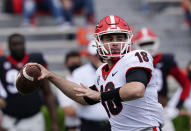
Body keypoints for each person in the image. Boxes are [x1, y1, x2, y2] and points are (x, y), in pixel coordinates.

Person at [27, 15, 164, 131]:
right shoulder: (101, 72)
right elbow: (82, 97)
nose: (115, 43)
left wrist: (100, 95)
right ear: (99, 43)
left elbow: (136, 90)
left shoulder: (136, 57)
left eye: (120, 38)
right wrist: (51, 76)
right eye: (109, 39)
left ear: (127, 40)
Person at [134, 27, 191, 130]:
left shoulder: (165, 60)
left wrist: (177, 106)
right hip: (140, 112)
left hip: (162, 109)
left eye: (150, 43)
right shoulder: (132, 62)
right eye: (143, 44)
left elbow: (186, 83)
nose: (147, 47)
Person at [0, 33, 59, 131]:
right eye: (14, 44)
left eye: (20, 44)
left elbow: (47, 92)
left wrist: (55, 121)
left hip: (34, 118)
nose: (18, 47)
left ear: (24, 44)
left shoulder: (35, 60)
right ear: (9, 46)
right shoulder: (1, 62)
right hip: (10, 119)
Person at [71, 40, 110, 131]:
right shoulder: (79, 73)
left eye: (101, 54)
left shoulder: (115, 69)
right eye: (95, 55)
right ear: (89, 55)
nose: (98, 57)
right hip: (89, 125)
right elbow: (81, 98)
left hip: (114, 124)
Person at [57, 50, 82, 131]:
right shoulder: (63, 84)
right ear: (66, 65)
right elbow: (69, 111)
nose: (76, 66)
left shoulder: (88, 79)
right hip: (73, 127)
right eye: (73, 64)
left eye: (77, 63)